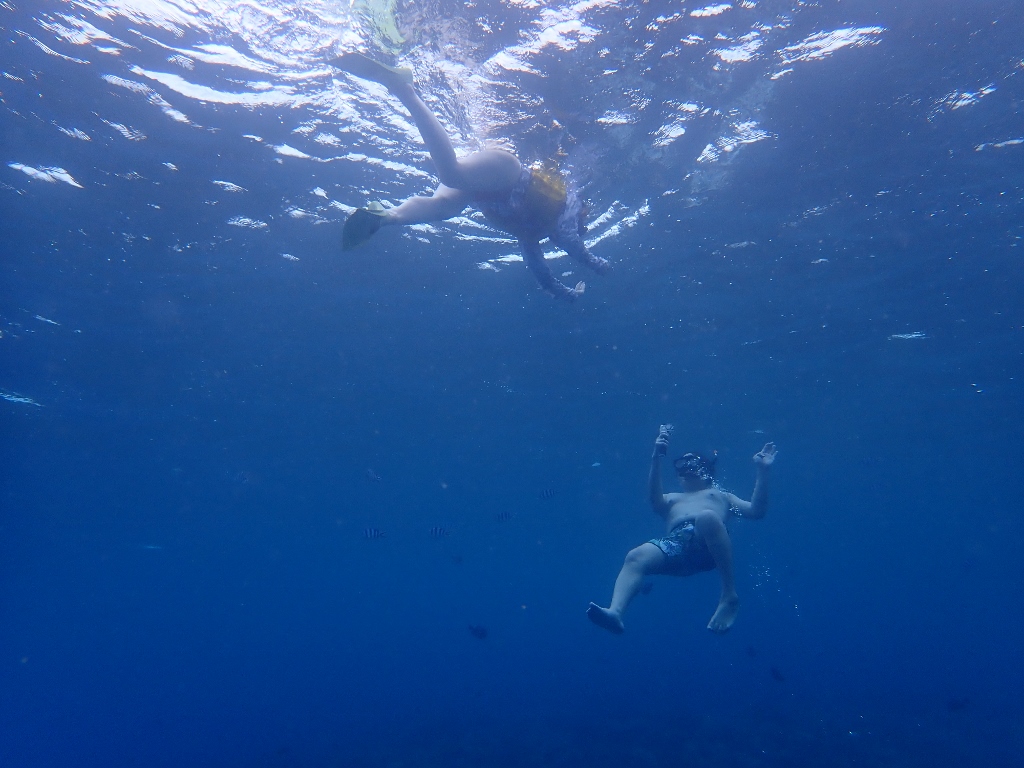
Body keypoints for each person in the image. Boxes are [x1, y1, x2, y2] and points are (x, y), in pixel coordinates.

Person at [332, 53, 610, 301]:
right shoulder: (569, 209)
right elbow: (573, 244)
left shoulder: (532, 235)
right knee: (452, 175)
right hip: (508, 172)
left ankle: (386, 217)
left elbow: (539, 270)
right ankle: (403, 87)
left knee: (444, 208)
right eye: (583, 224)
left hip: (484, 193)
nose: (574, 232)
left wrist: (566, 294)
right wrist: (600, 265)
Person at [588, 425, 776, 635]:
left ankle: (728, 595)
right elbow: (654, 500)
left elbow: (756, 511)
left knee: (707, 517)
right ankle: (616, 612)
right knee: (635, 556)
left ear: (707, 472)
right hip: (675, 546)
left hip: (708, 544)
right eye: (682, 464)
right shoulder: (671, 498)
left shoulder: (721, 496)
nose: (687, 468)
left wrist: (763, 470)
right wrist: (656, 456)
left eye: (693, 463)